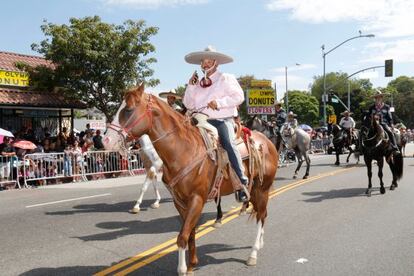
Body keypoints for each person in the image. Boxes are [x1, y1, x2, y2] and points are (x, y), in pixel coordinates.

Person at [183, 45, 249, 203]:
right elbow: (189, 104)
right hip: (198, 120)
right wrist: (191, 87)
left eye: (209, 61)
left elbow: (238, 97)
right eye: (203, 61)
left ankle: (241, 181)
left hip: (221, 119)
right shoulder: (197, 83)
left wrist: (219, 103)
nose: (205, 64)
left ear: (216, 63)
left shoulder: (226, 77)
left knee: (227, 142)